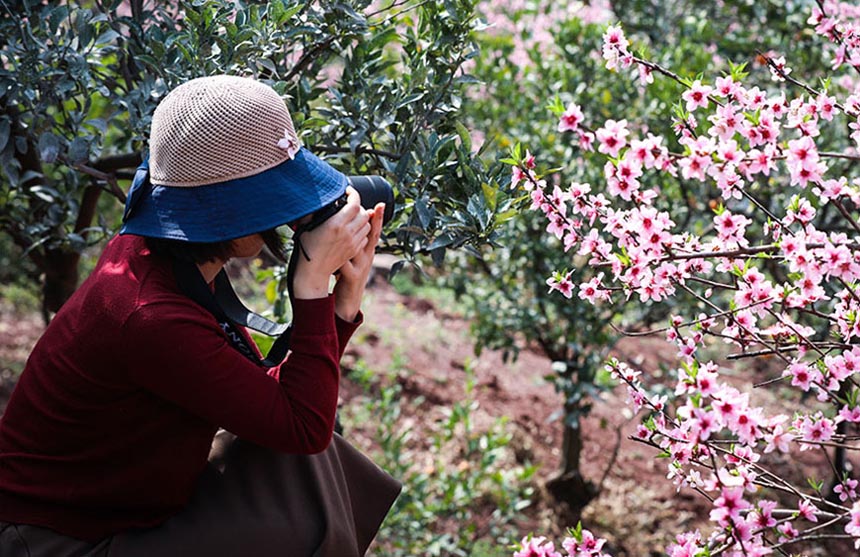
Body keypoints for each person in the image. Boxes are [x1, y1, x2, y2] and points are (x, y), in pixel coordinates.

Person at [0, 75, 400, 556]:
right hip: (57, 539)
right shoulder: (150, 314)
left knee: (309, 467)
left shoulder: (163, 255)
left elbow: (277, 398)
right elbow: (301, 424)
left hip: (124, 506)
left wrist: (341, 302)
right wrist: (311, 287)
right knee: (299, 516)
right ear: (227, 209)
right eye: (273, 194)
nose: (291, 211)